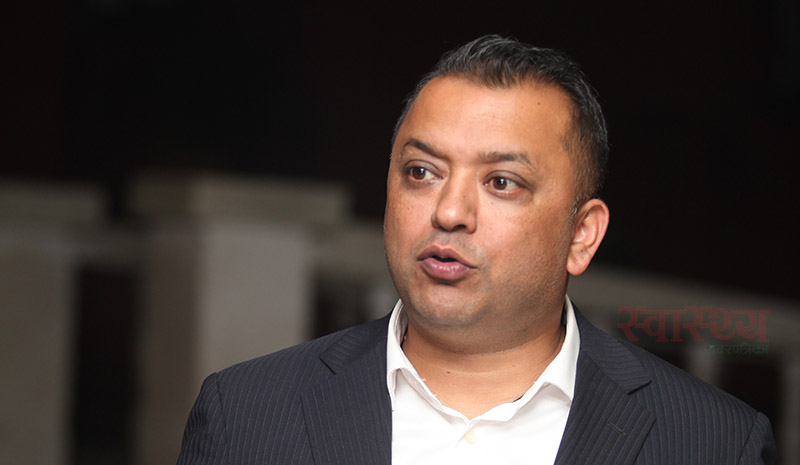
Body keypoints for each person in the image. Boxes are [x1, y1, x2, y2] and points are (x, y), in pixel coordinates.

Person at [176, 35, 777, 465]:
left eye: (501, 182)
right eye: (421, 172)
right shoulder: (246, 415)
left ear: (581, 235)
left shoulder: (715, 443)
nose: (449, 212)